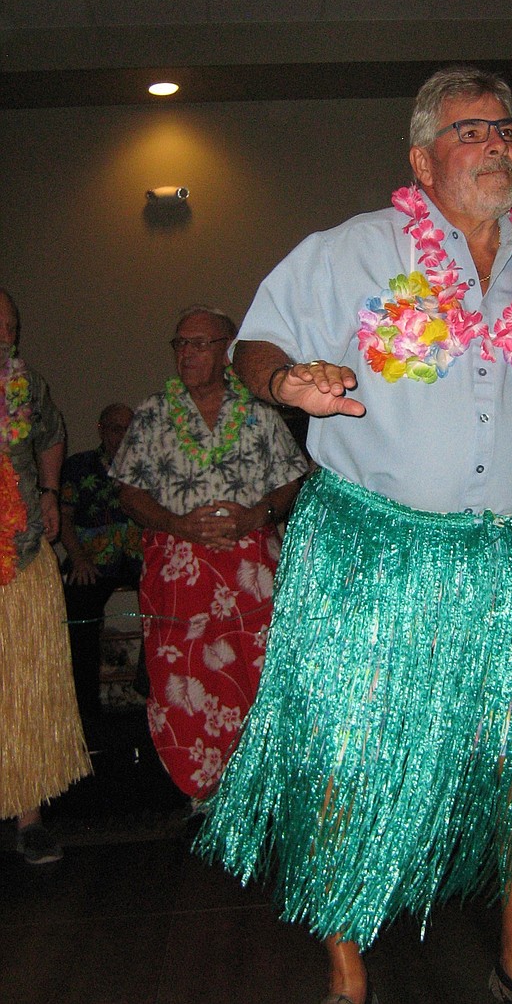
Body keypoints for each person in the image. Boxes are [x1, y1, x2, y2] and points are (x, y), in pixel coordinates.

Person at [195, 66, 512, 1004]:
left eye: (507, 128)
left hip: (505, 563)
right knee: (346, 763)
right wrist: (286, 381)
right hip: (370, 555)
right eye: (472, 130)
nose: (497, 142)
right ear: (421, 159)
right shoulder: (353, 251)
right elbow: (255, 341)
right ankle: (346, 971)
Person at [110, 305, 308, 799]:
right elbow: (128, 493)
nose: (187, 353)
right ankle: (202, 795)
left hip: (251, 575)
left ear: (227, 352)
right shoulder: (153, 412)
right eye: (180, 343)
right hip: (181, 575)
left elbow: (292, 482)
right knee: (184, 679)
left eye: (200, 343)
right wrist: (176, 524)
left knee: (258, 674)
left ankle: (258, 794)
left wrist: (255, 516)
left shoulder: (260, 411)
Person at [0, 287, 91, 865]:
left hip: (23, 553)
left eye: (10, 325)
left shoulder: (26, 385)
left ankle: (29, 818)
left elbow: (52, 436)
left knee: (26, 686)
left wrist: (51, 490)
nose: (4, 335)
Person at [60, 402, 143, 727]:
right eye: (114, 428)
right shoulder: (79, 466)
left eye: (128, 428)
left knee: (167, 599)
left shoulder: (147, 464)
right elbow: (64, 518)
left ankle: (148, 691)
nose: (121, 436)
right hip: (92, 558)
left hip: (137, 555)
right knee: (79, 613)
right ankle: (86, 711)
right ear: (101, 429)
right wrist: (78, 558)